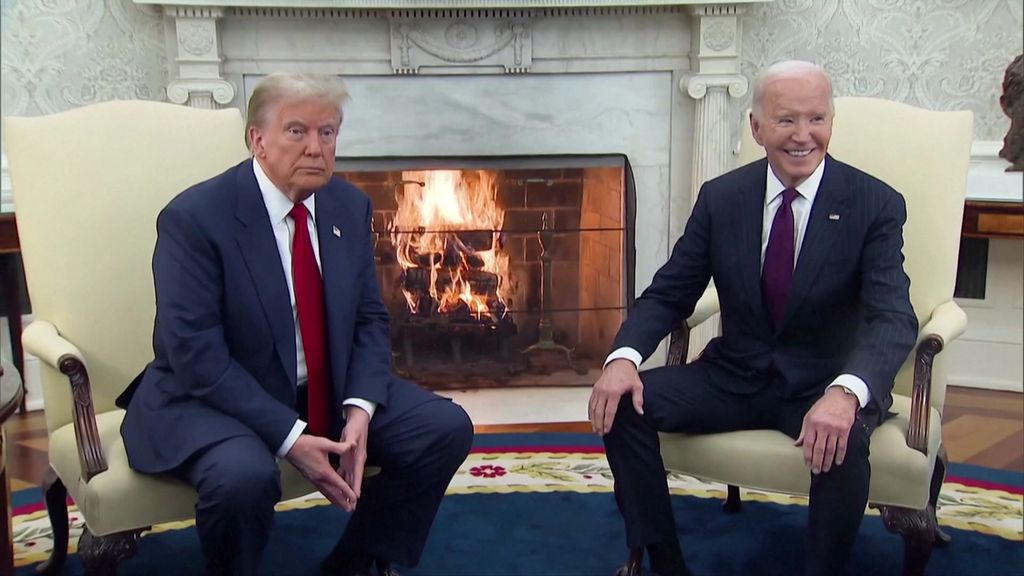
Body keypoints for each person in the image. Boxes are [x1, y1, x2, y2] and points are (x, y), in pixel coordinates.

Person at [119, 73, 474, 576]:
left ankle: (355, 562)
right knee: (242, 477)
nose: (316, 147)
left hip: (318, 388)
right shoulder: (195, 219)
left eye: (327, 132)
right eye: (297, 131)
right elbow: (195, 355)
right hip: (214, 399)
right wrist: (289, 437)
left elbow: (369, 317)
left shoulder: (347, 206)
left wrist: (359, 410)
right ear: (256, 140)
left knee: (443, 428)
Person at [588, 60, 918, 576]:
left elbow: (893, 317)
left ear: (831, 121)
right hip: (735, 374)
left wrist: (847, 392)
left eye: (817, 119)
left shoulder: (874, 204)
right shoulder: (723, 198)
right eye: (787, 120)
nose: (804, 136)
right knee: (623, 404)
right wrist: (623, 358)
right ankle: (664, 562)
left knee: (843, 437)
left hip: (822, 383)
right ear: (756, 127)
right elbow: (669, 293)